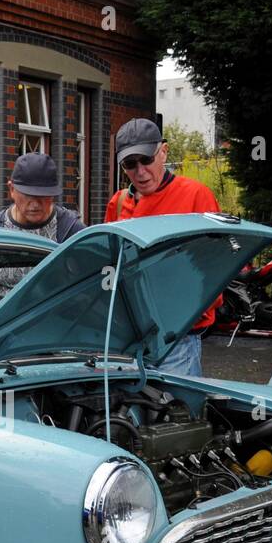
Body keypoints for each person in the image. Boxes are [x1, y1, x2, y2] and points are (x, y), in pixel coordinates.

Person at [105, 118, 221, 376]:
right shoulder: (119, 202)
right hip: (129, 339)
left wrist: (190, 313)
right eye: (129, 165)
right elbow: (109, 264)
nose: (140, 172)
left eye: (146, 160)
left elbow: (215, 267)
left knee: (174, 410)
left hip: (176, 339)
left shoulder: (196, 196)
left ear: (164, 152)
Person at [0, 152, 85, 296]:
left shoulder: (71, 231)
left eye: (43, 196)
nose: (35, 204)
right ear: (12, 190)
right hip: (4, 317)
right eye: (28, 195)